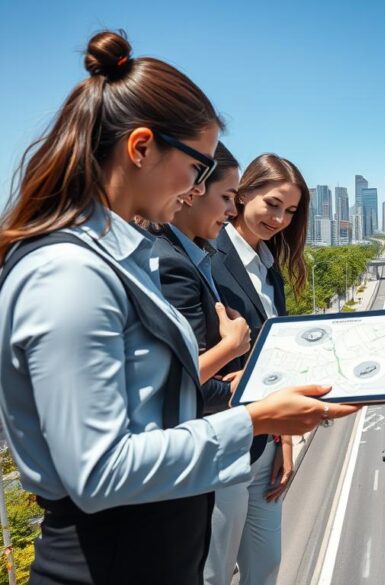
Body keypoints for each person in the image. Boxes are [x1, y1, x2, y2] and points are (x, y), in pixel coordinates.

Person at [0, 31, 359, 585]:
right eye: (198, 168)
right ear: (141, 147)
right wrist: (255, 419)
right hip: (107, 561)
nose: (197, 190)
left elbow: (158, 402)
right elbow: (99, 472)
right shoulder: (67, 274)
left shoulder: (121, 259)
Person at [207, 153, 310, 585]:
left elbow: (276, 361)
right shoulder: (209, 259)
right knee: (213, 572)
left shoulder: (270, 269)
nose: (280, 219)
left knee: (265, 566)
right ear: (242, 193)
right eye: (272, 204)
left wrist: (284, 440)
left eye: (289, 211)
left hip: (266, 446)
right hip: (224, 442)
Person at [152, 141, 249, 414]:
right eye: (226, 197)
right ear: (194, 191)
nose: (232, 212)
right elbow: (187, 383)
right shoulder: (170, 264)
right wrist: (236, 355)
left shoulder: (195, 254)